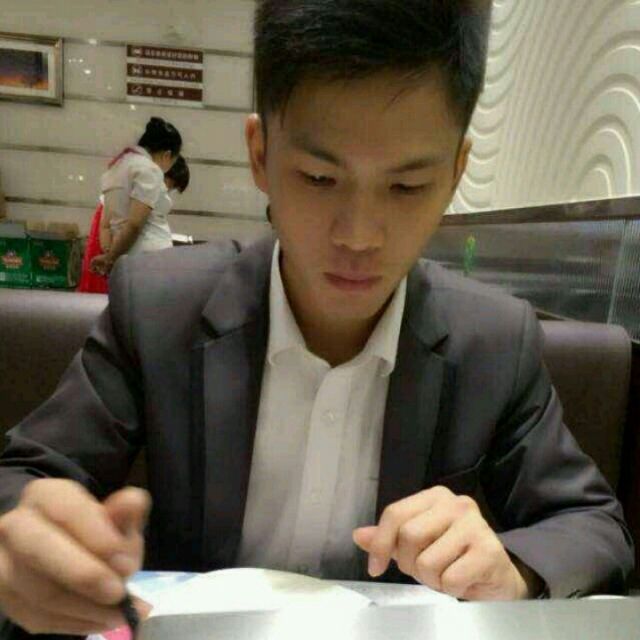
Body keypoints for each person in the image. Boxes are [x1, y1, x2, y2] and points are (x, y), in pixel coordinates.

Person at [0, 0, 634, 636]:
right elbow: (26, 477)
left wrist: (511, 568)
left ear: (456, 173)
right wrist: (29, 534)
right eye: (319, 177)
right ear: (260, 154)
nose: (359, 235)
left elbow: (592, 526)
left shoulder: (492, 341)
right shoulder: (159, 308)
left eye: (407, 186)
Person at [78, 154, 190, 294]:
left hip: (149, 263)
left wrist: (110, 256)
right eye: (170, 185)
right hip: (140, 264)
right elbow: (122, 226)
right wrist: (109, 256)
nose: (168, 190)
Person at [88, 117, 183, 278]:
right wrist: (110, 258)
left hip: (125, 258)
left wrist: (111, 255)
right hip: (150, 259)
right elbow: (134, 224)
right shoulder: (149, 170)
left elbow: (107, 224)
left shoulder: (116, 168)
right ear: (167, 155)